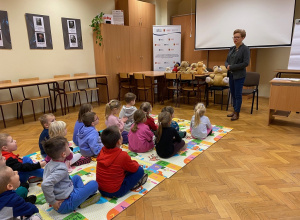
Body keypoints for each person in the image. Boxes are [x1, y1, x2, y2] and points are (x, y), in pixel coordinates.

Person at [41, 136, 100, 214]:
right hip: (65, 204)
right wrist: (53, 202)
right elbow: (45, 184)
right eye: (68, 147)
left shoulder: (49, 164)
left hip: (64, 192)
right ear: (63, 154)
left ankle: (81, 197)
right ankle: (82, 199)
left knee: (76, 177)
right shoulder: (61, 169)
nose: (70, 148)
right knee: (94, 184)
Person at [96, 126, 148, 198]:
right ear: (119, 141)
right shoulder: (122, 155)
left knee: (123, 169)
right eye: (121, 134)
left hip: (101, 189)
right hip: (115, 192)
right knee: (140, 170)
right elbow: (135, 168)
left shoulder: (102, 151)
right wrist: (136, 163)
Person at [225, 29, 250, 121]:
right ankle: (234, 111)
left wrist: (232, 67)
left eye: (237, 37)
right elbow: (226, 60)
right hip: (231, 75)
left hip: (239, 75)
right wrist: (227, 65)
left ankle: (237, 113)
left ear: (243, 38)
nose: (235, 39)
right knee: (233, 94)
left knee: (238, 95)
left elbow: (246, 63)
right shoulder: (232, 48)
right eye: (234, 37)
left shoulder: (245, 49)